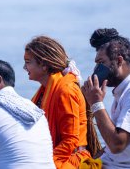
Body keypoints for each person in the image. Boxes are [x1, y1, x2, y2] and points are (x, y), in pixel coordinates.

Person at [24, 35, 101, 169]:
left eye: (28, 62)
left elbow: (71, 140)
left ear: (43, 64)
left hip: (71, 161)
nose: (24, 67)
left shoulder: (66, 90)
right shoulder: (46, 89)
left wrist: (47, 164)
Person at [82, 28, 130, 169]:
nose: (96, 70)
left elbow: (117, 144)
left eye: (101, 63)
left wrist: (96, 103)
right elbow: (111, 148)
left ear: (119, 61)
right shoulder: (124, 90)